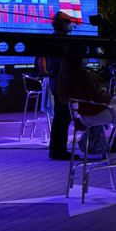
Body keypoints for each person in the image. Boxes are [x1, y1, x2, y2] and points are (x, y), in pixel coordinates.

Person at [47, 11, 75, 160]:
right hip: (60, 83)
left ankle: (57, 149)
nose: (70, 25)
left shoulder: (57, 40)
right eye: (68, 21)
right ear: (62, 24)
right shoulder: (59, 42)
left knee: (62, 117)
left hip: (60, 82)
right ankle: (58, 151)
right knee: (62, 117)